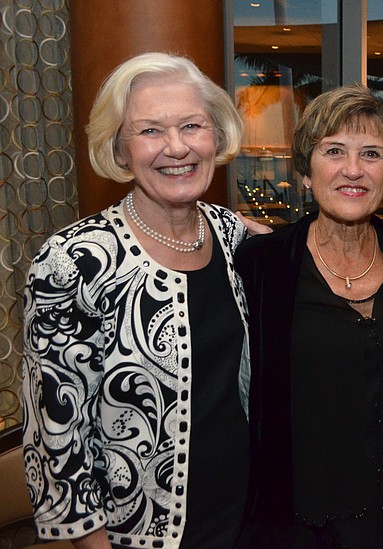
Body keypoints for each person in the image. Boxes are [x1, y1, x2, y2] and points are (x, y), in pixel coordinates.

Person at [21, 52, 270, 548]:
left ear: (216, 135)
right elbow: (56, 437)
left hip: (248, 518)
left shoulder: (231, 235)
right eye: (150, 131)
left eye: (192, 126)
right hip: (138, 536)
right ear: (119, 149)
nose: (177, 147)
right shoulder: (74, 261)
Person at [235, 84, 383, 548]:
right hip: (296, 523)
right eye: (334, 151)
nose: (353, 170)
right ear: (306, 170)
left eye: (372, 154)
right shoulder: (263, 264)